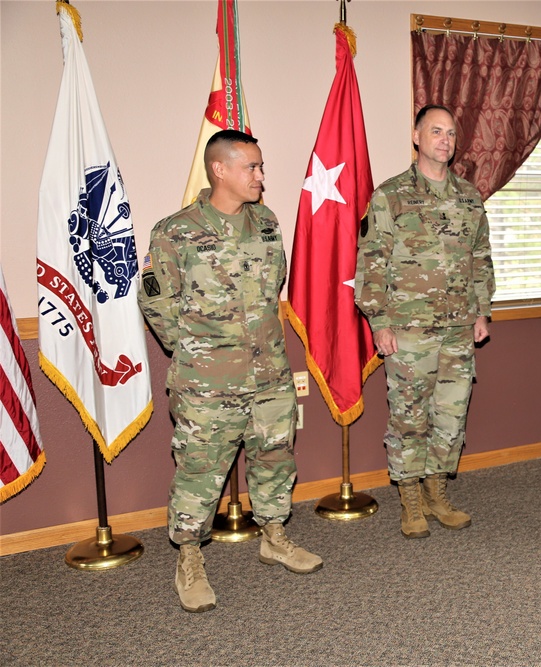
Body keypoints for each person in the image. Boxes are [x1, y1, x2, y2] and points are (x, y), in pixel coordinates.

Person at [139, 130, 322, 613]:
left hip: (270, 376)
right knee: (200, 472)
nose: (261, 176)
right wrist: (198, 354)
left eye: (260, 167)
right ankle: (190, 558)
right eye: (252, 168)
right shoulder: (175, 231)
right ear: (220, 170)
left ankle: (274, 535)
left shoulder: (266, 223)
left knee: (275, 457)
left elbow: (273, 284)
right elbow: (156, 302)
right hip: (207, 383)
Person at [355, 105, 495, 539]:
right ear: (416, 137)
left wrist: (482, 310)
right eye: (436, 132)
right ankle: (411, 501)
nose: (445, 141)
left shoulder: (469, 196)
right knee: (410, 418)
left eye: (451, 133)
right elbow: (371, 262)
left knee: (451, 418)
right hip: (408, 330)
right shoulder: (390, 195)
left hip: (458, 328)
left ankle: (438, 494)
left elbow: (480, 257)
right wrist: (379, 320)